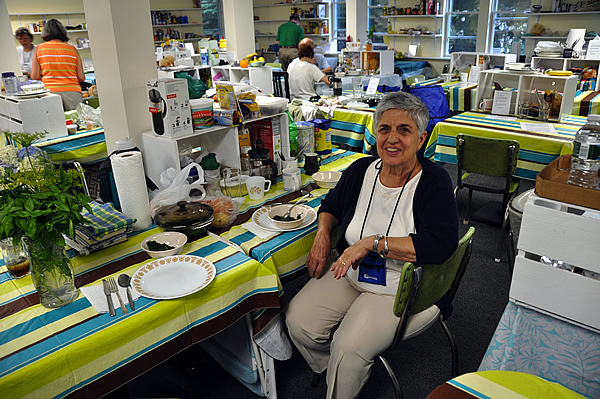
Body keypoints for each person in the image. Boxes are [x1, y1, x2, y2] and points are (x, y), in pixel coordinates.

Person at [285, 91, 459, 399]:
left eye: (404, 130)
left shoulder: (434, 182)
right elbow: (331, 205)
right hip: (350, 272)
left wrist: (373, 244)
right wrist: (323, 234)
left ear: (421, 138)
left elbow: (441, 244)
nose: (392, 139)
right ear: (375, 133)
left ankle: (344, 376)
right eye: (384, 129)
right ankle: (332, 368)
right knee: (298, 321)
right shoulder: (360, 170)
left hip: (402, 287)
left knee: (348, 347)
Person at [31, 19, 85, 111]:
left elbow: (35, 76)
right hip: (73, 92)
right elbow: (81, 77)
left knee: (55, 122)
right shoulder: (72, 49)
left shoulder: (39, 49)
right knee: (77, 122)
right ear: (63, 32)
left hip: (50, 92)